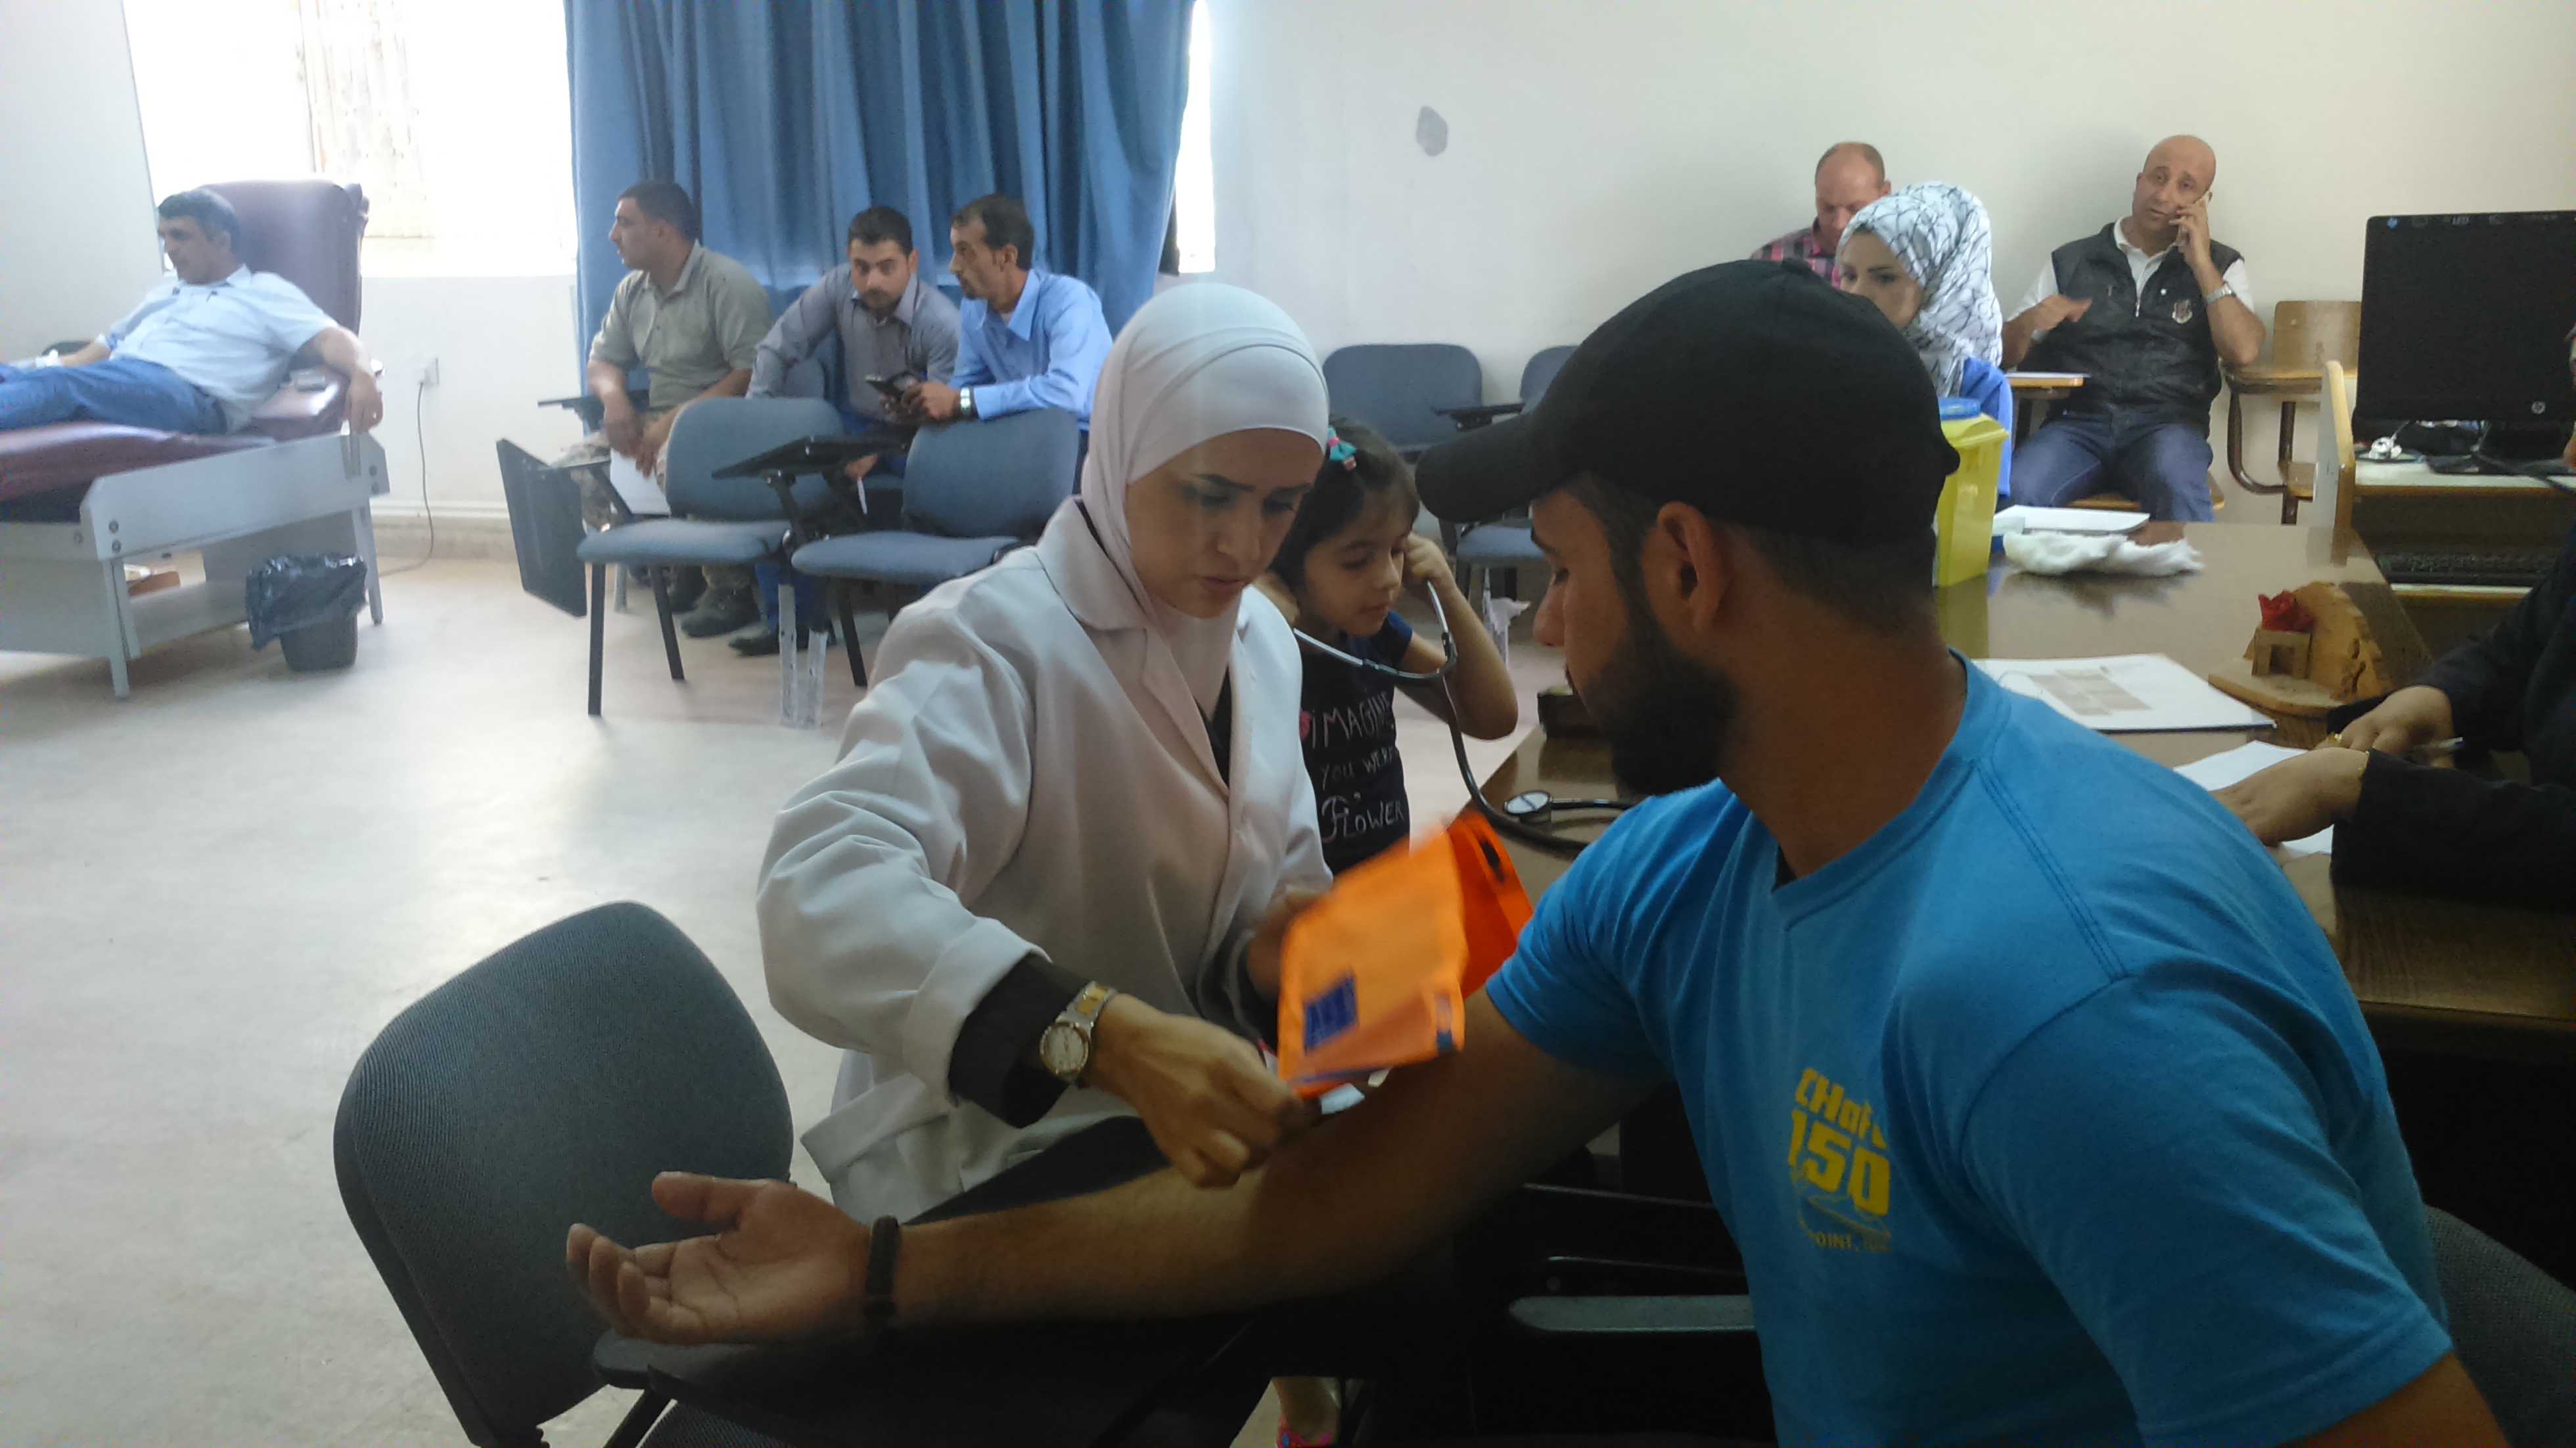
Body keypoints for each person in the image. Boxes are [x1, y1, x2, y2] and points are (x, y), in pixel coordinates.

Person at [572, 263, 2506, 1447]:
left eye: (1559, 572)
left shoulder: (2066, 1006)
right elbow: (1327, 1189)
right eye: (1219, 496)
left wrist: (1295, 976)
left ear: (1689, 565)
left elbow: (1280, 961)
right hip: (1017, 1126)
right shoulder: (1698, 863)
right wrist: (887, 1263)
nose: (1544, 635)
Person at [755, 282, 1334, 1229]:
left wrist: (1266, 959)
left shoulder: (1262, 641)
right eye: (1209, 494)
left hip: (1174, 1125)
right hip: (985, 1150)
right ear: (1123, 450)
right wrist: (1102, 1037)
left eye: (1282, 504)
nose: (1244, 543)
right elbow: (820, 888)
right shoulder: (992, 639)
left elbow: (1255, 906)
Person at [1259, 417, 1518, 874]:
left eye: (1397, 550)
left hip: (1385, 884)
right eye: (1358, 561)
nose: (1389, 579)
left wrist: (1447, 594)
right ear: (1281, 559)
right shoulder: (1255, 654)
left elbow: (1494, 717)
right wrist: (1249, 623)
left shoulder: (1374, 636)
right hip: (1303, 900)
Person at [2002, 135, 2263, 521]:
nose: (2164, 194)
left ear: (2203, 202)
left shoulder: (2221, 265)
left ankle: (2189, 566)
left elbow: (2243, 351)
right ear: (2139, 182)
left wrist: (2201, 264)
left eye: (2185, 186)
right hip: (2077, 426)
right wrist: (2031, 322)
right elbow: (2003, 355)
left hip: (2170, 428)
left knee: (2177, 487)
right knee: (2016, 490)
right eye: (2158, 178)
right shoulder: (2073, 260)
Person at [741, 205, 963, 657]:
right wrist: (757, 414)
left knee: (936, 502)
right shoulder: (838, 287)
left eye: (886, 267)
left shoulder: (941, 322)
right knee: (783, 488)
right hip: (857, 422)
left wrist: (878, 449)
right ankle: (795, 627)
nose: (872, 281)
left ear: (913, 262)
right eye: (861, 267)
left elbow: (944, 414)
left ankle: (930, 636)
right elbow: (776, 347)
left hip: (924, 437)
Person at [1, 189, 383, 437]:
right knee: (38, 378)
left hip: (188, 397)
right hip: (121, 379)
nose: (169, 248)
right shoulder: (163, 295)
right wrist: (26, 368)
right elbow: (91, 357)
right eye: (164, 237)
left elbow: (330, 337)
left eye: (180, 236)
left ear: (222, 242)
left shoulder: (263, 292)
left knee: (62, 388)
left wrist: (362, 373)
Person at [586, 179, 775, 639]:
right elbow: (602, 361)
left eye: (625, 223)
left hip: (720, 423)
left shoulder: (726, 284)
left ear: (663, 231)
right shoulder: (632, 291)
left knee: (679, 464)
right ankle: (675, 564)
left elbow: (749, 374)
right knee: (575, 472)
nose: (613, 235)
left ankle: (730, 589)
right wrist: (614, 400)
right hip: (657, 417)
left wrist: (674, 424)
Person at [1836, 181, 2012, 495]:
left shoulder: (1978, 384)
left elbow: (1983, 504)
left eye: (1885, 278)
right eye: (1849, 276)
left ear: (1939, 285)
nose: (1857, 293)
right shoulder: (1830, 364)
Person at [897, 194, 1111, 430]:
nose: (953, 266)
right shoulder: (974, 307)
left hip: (1088, 437)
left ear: (1007, 257)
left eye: (965, 252)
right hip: (1023, 436)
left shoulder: (1069, 300)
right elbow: (964, 388)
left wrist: (962, 401)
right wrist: (923, 403)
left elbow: (1066, 393)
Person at [1749, 142, 1891, 283]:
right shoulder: (1769, 263)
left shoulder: (1901, 261)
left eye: (1855, 209)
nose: (1839, 225)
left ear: (1885, 195)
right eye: (1828, 208)